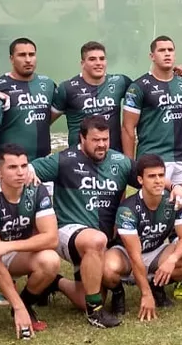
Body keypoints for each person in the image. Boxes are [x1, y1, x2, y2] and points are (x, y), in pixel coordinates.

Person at [29, 116, 139, 329]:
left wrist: (174, 188)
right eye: (96, 140)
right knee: (96, 240)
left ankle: (55, 282)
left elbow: (148, 176)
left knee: (83, 297)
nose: (102, 145)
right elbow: (26, 170)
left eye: (105, 139)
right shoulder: (65, 159)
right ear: (82, 138)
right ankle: (95, 312)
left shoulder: (119, 161)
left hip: (100, 242)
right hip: (70, 231)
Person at [0, 143, 59, 338]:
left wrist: (8, 246)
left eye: (24, 166)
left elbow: (51, 238)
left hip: (10, 248)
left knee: (50, 261)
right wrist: (17, 307)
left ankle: (26, 302)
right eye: (12, 167)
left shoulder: (36, 189)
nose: (20, 172)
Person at [106, 154, 182, 319]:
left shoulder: (174, 201)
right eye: (151, 176)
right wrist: (145, 294)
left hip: (156, 251)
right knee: (107, 269)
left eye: (161, 175)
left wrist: (172, 260)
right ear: (140, 180)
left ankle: (157, 285)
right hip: (127, 254)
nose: (158, 181)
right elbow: (135, 256)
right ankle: (118, 293)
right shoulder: (128, 209)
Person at [122, 36, 182, 185]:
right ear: (152, 56)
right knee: (157, 200)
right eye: (162, 50)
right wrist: (130, 164)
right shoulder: (138, 87)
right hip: (152, 158)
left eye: (170, 50)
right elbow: (128, 128)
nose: (167, 53)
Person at [53, 41, 132, 152]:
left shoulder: (120, 82)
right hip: (79, 157)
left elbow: (142, 102)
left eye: (102, 59)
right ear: (82, 63)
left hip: (113, 155)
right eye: (92, 59)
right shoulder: (67, 88)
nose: (98, 63)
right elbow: (44, 122)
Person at [0, 37, 58, 163]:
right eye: (22, 55)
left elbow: (56, 111)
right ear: (11, 59)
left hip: (42, 160)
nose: (28, 60)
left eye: (31, 54)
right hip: (11, 162)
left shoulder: (48, 84)